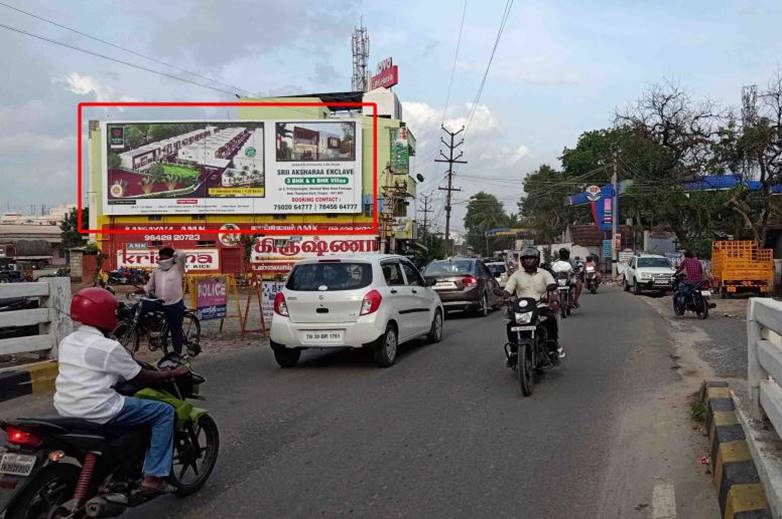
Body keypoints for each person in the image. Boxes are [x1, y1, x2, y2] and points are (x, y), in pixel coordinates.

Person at [54, 287, 189, 493]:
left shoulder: (67, 341)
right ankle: (153, 477)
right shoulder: (107, 347)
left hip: (65, 408)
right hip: (97, 409)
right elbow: (139, 375)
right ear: (106, 314)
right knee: (164, 412)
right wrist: (170, 374)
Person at [502, 246, 565, 359]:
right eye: (526, 258)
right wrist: (505, 294)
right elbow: (509, 288)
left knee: (550, 318)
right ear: (522, 260)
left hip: (540, 306)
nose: (528, 261)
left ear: (537, 259)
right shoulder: (516, 275)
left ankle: (552, 347)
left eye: (531, 258)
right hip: (522, 308)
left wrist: (552, 290)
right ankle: (514, 351)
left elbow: (551, 284)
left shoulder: (544, 273)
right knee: (510, 322)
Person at [142, 247, 190, 356]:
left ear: (171, 258)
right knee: (139, 307)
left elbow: (182, 254)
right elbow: (150, 286)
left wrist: (174, 254)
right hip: (159, 302)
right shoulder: (156, 271)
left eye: (165, 257)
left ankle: (177, 356)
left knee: (175, 331)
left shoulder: (178, 267)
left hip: (174, 304)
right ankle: (150, 333)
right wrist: (140, 289)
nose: (162, 259)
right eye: (161, 257)